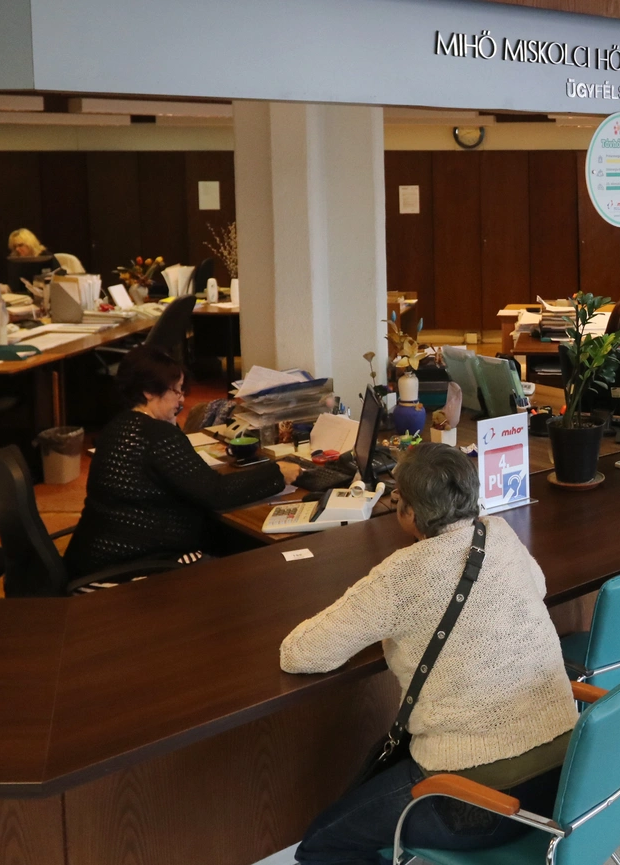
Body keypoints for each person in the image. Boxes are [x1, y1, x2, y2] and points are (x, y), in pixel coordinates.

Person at [281, 443, 577, 864]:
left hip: (479, 801)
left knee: (322, 844)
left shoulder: (400, 577)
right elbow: (538, 586)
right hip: (566, 781)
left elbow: (300, 653)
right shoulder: (499, 533)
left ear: (410, 512)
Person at [63, 347, 295, 578]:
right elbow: (216, 493)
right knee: (253, 572)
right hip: (131, 571)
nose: (182, 399)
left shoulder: (117, 426)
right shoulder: (156, 435)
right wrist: (277, 473)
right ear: (148, 391)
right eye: (176, 390)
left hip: (92, 563)